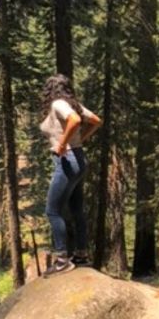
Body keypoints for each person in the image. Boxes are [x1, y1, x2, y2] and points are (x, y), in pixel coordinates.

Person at [39, 74, 102, 276]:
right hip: (79, 159)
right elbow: (95, 120)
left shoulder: (58, 104)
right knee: (76, 208)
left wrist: (62, 144)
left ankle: (62, 259)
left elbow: (74, 120)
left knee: (52, 210)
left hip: (67, 161)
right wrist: (78, 141)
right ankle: (81, 255)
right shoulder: (71, 104)